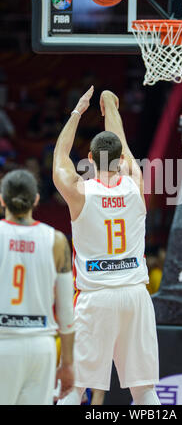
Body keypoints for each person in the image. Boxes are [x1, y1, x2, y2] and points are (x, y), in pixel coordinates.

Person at [53, 86, 160, 406]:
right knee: (144, 391)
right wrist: (110, 105)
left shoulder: (79, 191)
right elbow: (124, 148)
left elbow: (58, 159)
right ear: (122, 161)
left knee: (75, 390)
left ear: (88, 159)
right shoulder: (135, 182)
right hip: (135, 296)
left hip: (96, 297)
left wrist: (77, 112)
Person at [0, 169, 75, 405]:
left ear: (2, 200)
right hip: (41, 348)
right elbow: (66, 312)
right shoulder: (57, 240)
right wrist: (68, 364)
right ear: (36, 199)